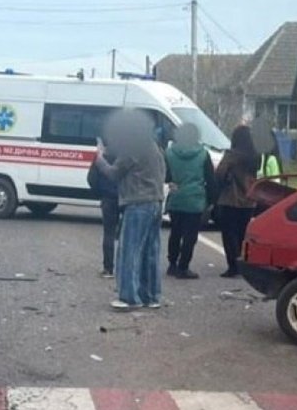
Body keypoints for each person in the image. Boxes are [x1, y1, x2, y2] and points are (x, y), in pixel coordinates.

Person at [92, 109, 166, 310]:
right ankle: (151, 297)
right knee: (150, 252)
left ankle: (129, 297)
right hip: (156, 202)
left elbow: (114, 173)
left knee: (129, 251)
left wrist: (98, 159)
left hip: (137, 203)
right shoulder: (153, 146)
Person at [164, 123, 214, 279]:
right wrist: (211, 200)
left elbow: (166, 176)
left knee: (175, 232)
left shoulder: (170, 153)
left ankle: (172, 264)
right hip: (195, 199)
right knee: (190, 236)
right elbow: (210, 179)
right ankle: (183, 266)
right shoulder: (203, 154)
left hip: (176, 197)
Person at [214, 124, 260, 277]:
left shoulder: (231, 155)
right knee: (243, 234)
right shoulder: (254, 157)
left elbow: (220, 173)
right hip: (249, 200)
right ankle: (244, 264)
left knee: (229, 234)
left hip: (231, 199)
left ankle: (232, 266)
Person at [87, 142, 120, 278]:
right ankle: (125, 267)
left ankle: (108, 268)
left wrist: (100, 193)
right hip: (125, 199)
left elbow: (91, 179)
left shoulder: (101, 157)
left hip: (108, 198)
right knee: (126, 235)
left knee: (109, 234)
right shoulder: (126, 155)